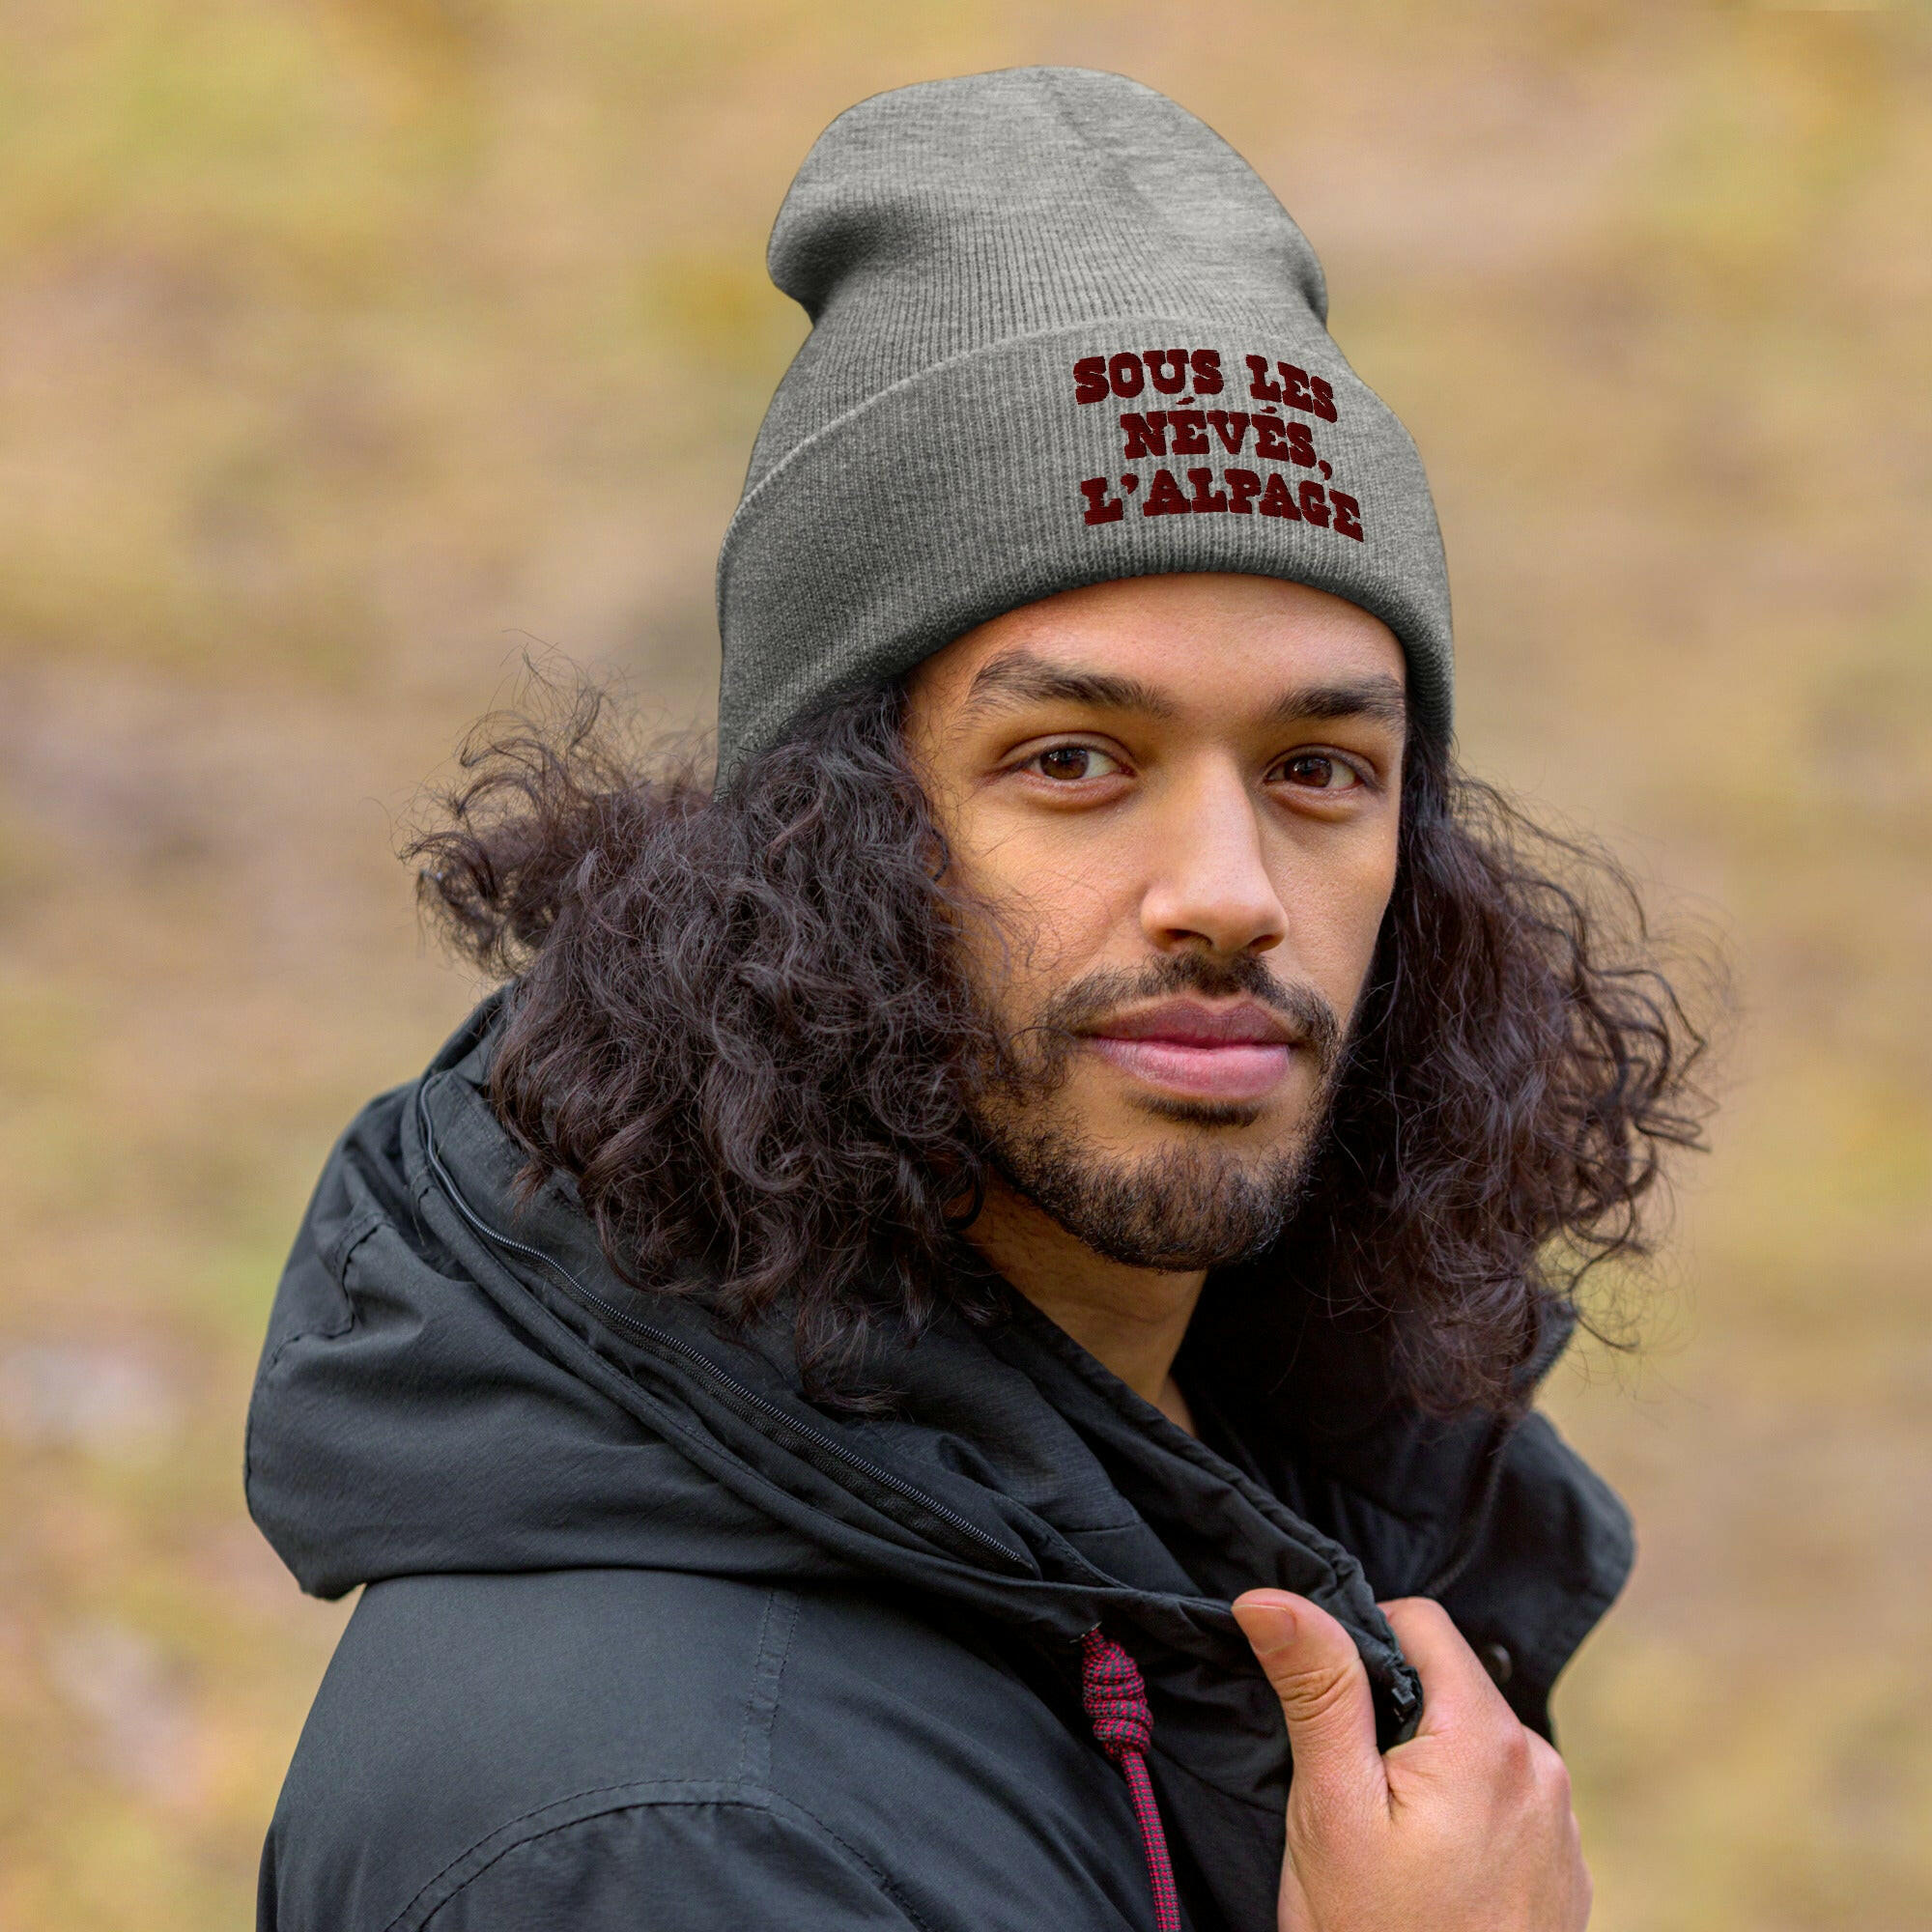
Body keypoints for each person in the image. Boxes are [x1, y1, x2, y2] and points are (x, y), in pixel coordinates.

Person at [249, 68, 1708, 1932]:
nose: (1231, 896)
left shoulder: (1240, 1479)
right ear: (823, 842)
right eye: (1076, 760)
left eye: (1320, 768)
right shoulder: (666, 1834)